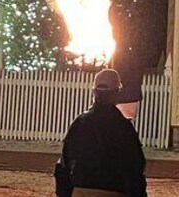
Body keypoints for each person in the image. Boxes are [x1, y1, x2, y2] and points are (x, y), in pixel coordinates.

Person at [56, 68, 147, 197]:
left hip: (81, 190)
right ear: (117, 93)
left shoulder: (80, 124)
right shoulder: (124, 127)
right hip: (114, 191)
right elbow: (135, 166)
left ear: (94, 92)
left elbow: (65, 162)